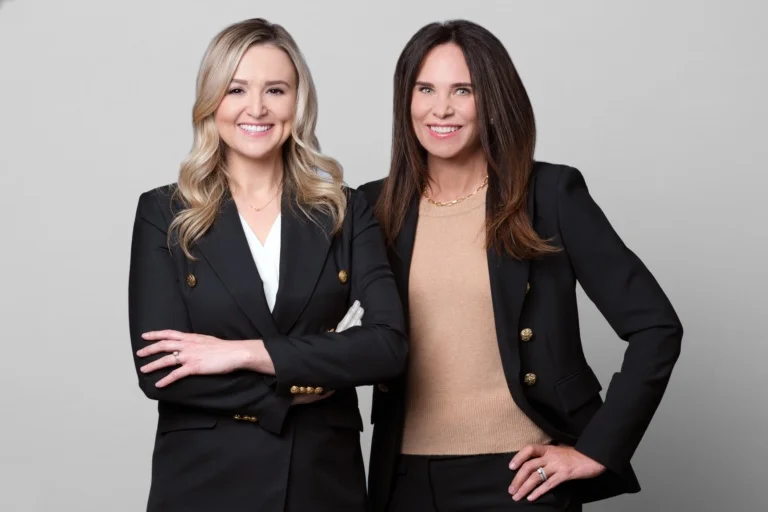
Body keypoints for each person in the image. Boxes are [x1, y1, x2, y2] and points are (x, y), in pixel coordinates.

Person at [359, 19, 683, 512]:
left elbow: (656, 327)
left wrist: (597, 449)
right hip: (402, 479)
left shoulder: (549, 196)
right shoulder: (373, 207)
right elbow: (329, 333)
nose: (440, 108)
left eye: (463, 90)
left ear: (492, 99)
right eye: (425, 89)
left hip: (519, 480)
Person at [128, 18, 407, 512]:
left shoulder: (345, 210)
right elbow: (160, 370)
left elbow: (387, 346)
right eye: (236, 89)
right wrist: (294, 388)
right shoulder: (164, 213)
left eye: (275, 90)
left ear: (298, 102)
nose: (256, 108)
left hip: (321, 483)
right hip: (203, 482)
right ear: (212, 100)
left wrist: (244, 353)